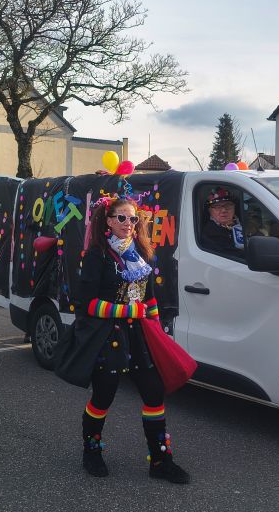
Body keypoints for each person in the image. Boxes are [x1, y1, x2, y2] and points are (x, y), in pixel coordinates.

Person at [53, 195, 191, 484]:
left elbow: (149, 297)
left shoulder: (141, 252)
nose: (129, 223)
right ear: (108, 221)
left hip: (138, 334)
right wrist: (126, 310)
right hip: (108, 335)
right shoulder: (97, 255)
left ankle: (160, 460)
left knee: (154, 393)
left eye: (133, 218)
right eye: (122, 218)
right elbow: (86, 303)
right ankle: (91, 452)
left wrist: (156, 329)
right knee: (103, 395)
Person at [202, 187, 244, 255]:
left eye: (228, 205)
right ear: (209, 210)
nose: (224, 210)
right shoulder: (211, 233)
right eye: (217, 206)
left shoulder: (243, 222)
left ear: (234, 207)